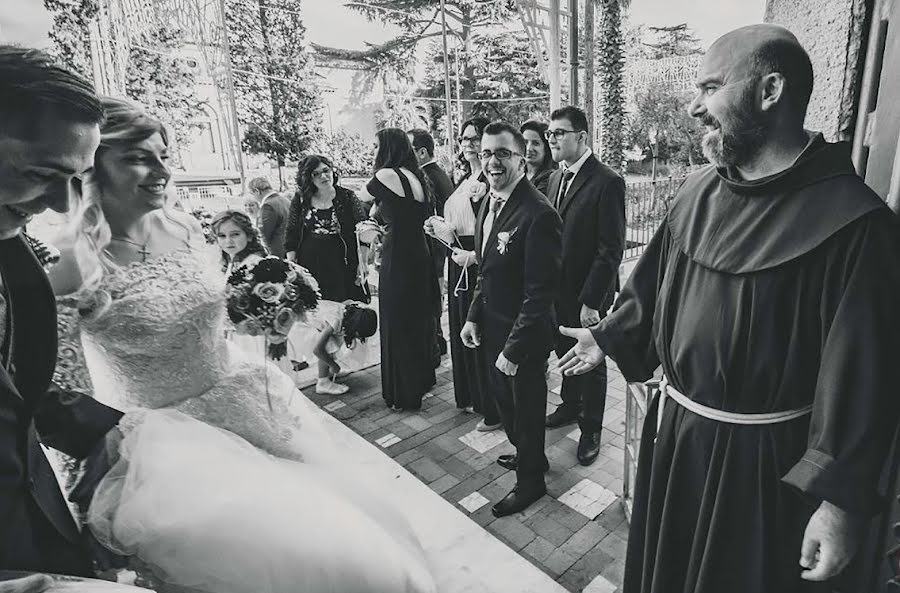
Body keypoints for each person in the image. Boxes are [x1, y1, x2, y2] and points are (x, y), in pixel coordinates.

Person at [557, 24, 900, 593]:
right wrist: (611, 334)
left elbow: (866, 380)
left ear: (769, 90)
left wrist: (839, 503)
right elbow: (653, 284)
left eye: (710, 87)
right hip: (682, 440)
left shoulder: (856, 227)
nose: (693, 107)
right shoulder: (696, 190)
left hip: (766, 467)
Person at [49, 98, 435, 593]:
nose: (161, 170)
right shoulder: (71, 260)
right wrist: (86, 501)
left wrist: (256, 323)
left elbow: (210, 316)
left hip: (244, 401)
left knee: (333, 541)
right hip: (167, 451)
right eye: (138, 157)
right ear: (91, 163)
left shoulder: (186, 229)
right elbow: (64, 398)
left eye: (164, 154)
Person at [0, 45, 123, 582]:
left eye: (75, 178)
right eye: (41, 172)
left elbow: (12, 390)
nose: (61, 204)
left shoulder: (9, 242)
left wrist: (109, 431)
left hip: (37, 522)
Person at [460, 121, 562, 517]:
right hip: (492, 326)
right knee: (507, 407)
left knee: (528, 408)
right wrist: (472, 317)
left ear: (522, 158)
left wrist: (514, 349)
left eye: (502, 153)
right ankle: (529, 455)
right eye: (486, 153)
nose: (492, 161)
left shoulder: (539, 213)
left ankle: (531, 481)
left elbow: (541, 292)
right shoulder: (490, 201)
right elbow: (487, 270)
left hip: (524, 336)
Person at [543, 106, 626, 467]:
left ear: (581, 136)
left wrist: (591, 301)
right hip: (557, 290)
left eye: (559, 133)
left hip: (588, 295)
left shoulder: (607, 180)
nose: (552, 139)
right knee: (565, 349)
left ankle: (591, 428)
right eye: (551, 133)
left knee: (592, 360)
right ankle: (570, 405)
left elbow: (611, 249)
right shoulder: (552, 179)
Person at [425, 116, 500, 430]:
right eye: (464, 139)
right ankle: (470, 393)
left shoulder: (487, 181)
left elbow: (490, 227)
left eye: (475, 138)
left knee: (479, 331)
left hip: (475, 261)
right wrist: (440, 230)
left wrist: (473, 256)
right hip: (457, 261)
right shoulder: (463, 177)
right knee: (460, 327)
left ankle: (490, 403)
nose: (468, 144)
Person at [362, 128, 439, 411]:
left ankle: (404, 393)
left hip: (398, 254)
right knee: (416, 319)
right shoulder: (416, 176)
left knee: (396, 321)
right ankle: (420, 380)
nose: (372, 152)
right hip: (420, 252)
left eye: (375, 146)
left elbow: (362, 195)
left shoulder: (385, 175)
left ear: (387, 148)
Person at [284, 155, 370, 302]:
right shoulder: (301, 199)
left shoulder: (348, 197)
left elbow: (363, 232)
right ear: (308, 178)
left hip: (342, 260)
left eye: (326, 170)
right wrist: (292, 266)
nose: (323, 176)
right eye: (315, 174)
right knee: (315, 306)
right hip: (310, 260)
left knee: (345, 307)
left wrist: (363, 263)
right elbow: (291, 232)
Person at [409, 128, 454, 358]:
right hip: (441, 247)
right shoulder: (442, 174)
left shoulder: (427, 177)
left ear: (423, 152)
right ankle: (438, 340)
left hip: (433, 246)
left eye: (410, 150)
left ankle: (435, 343)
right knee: (436, 297)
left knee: (432, 299)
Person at [310, 300, 378, 395]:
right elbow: (317, 350)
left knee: (336, 341)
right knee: (329, 346)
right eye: (358, 334)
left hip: (318, 319)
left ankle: (326, 371)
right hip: (303, 325)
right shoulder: (335, 321)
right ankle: (322, 383)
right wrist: (334, 365)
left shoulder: (350, 312)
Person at [211, 209, 267, 276]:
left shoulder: (256, 264)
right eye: (222, 236)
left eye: (235, 234)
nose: (228, 241)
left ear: (249, 236)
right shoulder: (229, 260)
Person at [247, 176, 290, 258]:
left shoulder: (267, 206)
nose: (254, 197)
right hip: (290, 250)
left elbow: (263, 235)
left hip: (277, 254)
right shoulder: (285, 201)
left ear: (257, 191)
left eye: (252, 194)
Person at [519, 120, 555, 197]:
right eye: (525, 142)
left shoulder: (550, 178)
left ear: (546, 148)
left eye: (536, 143)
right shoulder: (517, 173)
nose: (529, 148)